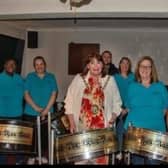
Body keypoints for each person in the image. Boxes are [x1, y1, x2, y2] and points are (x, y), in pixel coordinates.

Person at [64, 52, 122, 165]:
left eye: (99, 62)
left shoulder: (110, 80)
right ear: (88, 65)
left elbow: (118, 102)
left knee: (100, 162)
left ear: (103, 65)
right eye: (92, 63)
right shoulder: (79, 79)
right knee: (81, 161)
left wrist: (113, 116)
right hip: (81, 128)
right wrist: (71, 123)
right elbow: (68, 102)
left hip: (102, 129)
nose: (96, 66)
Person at [124, 56, 168, 165]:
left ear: (152, 69)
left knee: (153, 162)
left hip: (156, 133)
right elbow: (128, 108)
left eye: (148, 66)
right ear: (138, 68)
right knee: (137, 162)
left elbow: (165, 109)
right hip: (135, 133)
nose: (145, 69)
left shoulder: (160, 86)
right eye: (142, 66)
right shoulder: (132, 87)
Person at [23, 56, 58, 164]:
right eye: (37, 64)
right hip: (31, 111)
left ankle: (41, 155)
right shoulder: (30, 76)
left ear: (45, 65)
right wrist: (36, 108)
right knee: (31, 137)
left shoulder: (51, 77)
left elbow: (54, 93)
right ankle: (32, 157)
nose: (39, 66)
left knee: (44, 135)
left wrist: (46, 109)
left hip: (47, 112)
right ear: (34, 66)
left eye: (41, 64)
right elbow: (26, 93)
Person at [0, 57, 24, 165]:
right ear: (4, 66)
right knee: (2, 140)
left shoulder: (19, 78)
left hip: (17, 113)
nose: (11, 66)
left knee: (17, 139)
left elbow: (27, 93)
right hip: (2, 114)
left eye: (13, 64)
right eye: (9, 64)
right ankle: (2, 160)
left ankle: (19, 159)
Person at [114, 57, 135, 162]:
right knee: (119, 130)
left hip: (130, 108)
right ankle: (119, 151)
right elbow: (112, 94)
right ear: (120, 65)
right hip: (117, 108)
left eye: (127, 63)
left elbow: (135, 94)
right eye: (123, 63)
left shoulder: (134, 77)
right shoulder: (115, 77)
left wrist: (127, 108)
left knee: (129, 131)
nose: (125, 65)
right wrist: (119, 109)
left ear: (129, 66)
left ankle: (128, 151)